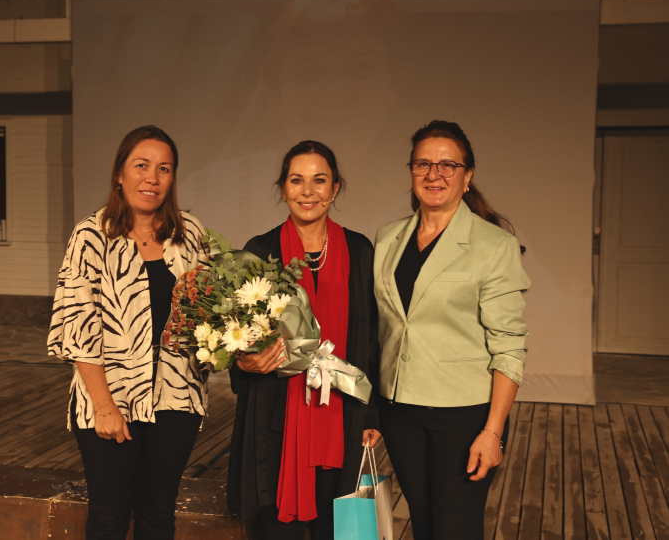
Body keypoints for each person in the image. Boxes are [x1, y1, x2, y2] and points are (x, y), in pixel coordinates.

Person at [47, 125, 209, 540]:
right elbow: (77, 326)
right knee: (109, 516)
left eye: (164, 169)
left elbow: (211, 312)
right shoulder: (91, 235)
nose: (152, 178)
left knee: (159, 514)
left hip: (177, 398)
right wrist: (104, 406)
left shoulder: (191, 234)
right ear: (120, 174)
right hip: (110, 397)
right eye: (141, 166)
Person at [374, 120, 530, 539]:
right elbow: (383, 328)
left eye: (448, 165)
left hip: (464, 416)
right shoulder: (388, 239)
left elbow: (510, 347)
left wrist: (493, 431)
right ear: (411, 171)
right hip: (400, 411)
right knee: (424, 525)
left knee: (455, 530)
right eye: (423, 163)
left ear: (467, 175)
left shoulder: (494, 245)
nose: (434, 174)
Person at [227, 141, 381, 539]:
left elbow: (372, 337)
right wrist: (244, 361)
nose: (308, 191)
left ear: (335, 188)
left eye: (319, 180)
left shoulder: (360, 250)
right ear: (283, 189)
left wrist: (371, 415)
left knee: (337, 527)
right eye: (297, 180)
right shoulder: (260, 251)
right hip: (277, 415)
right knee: (278, 530)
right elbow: (240, 338)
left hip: (341, 413)